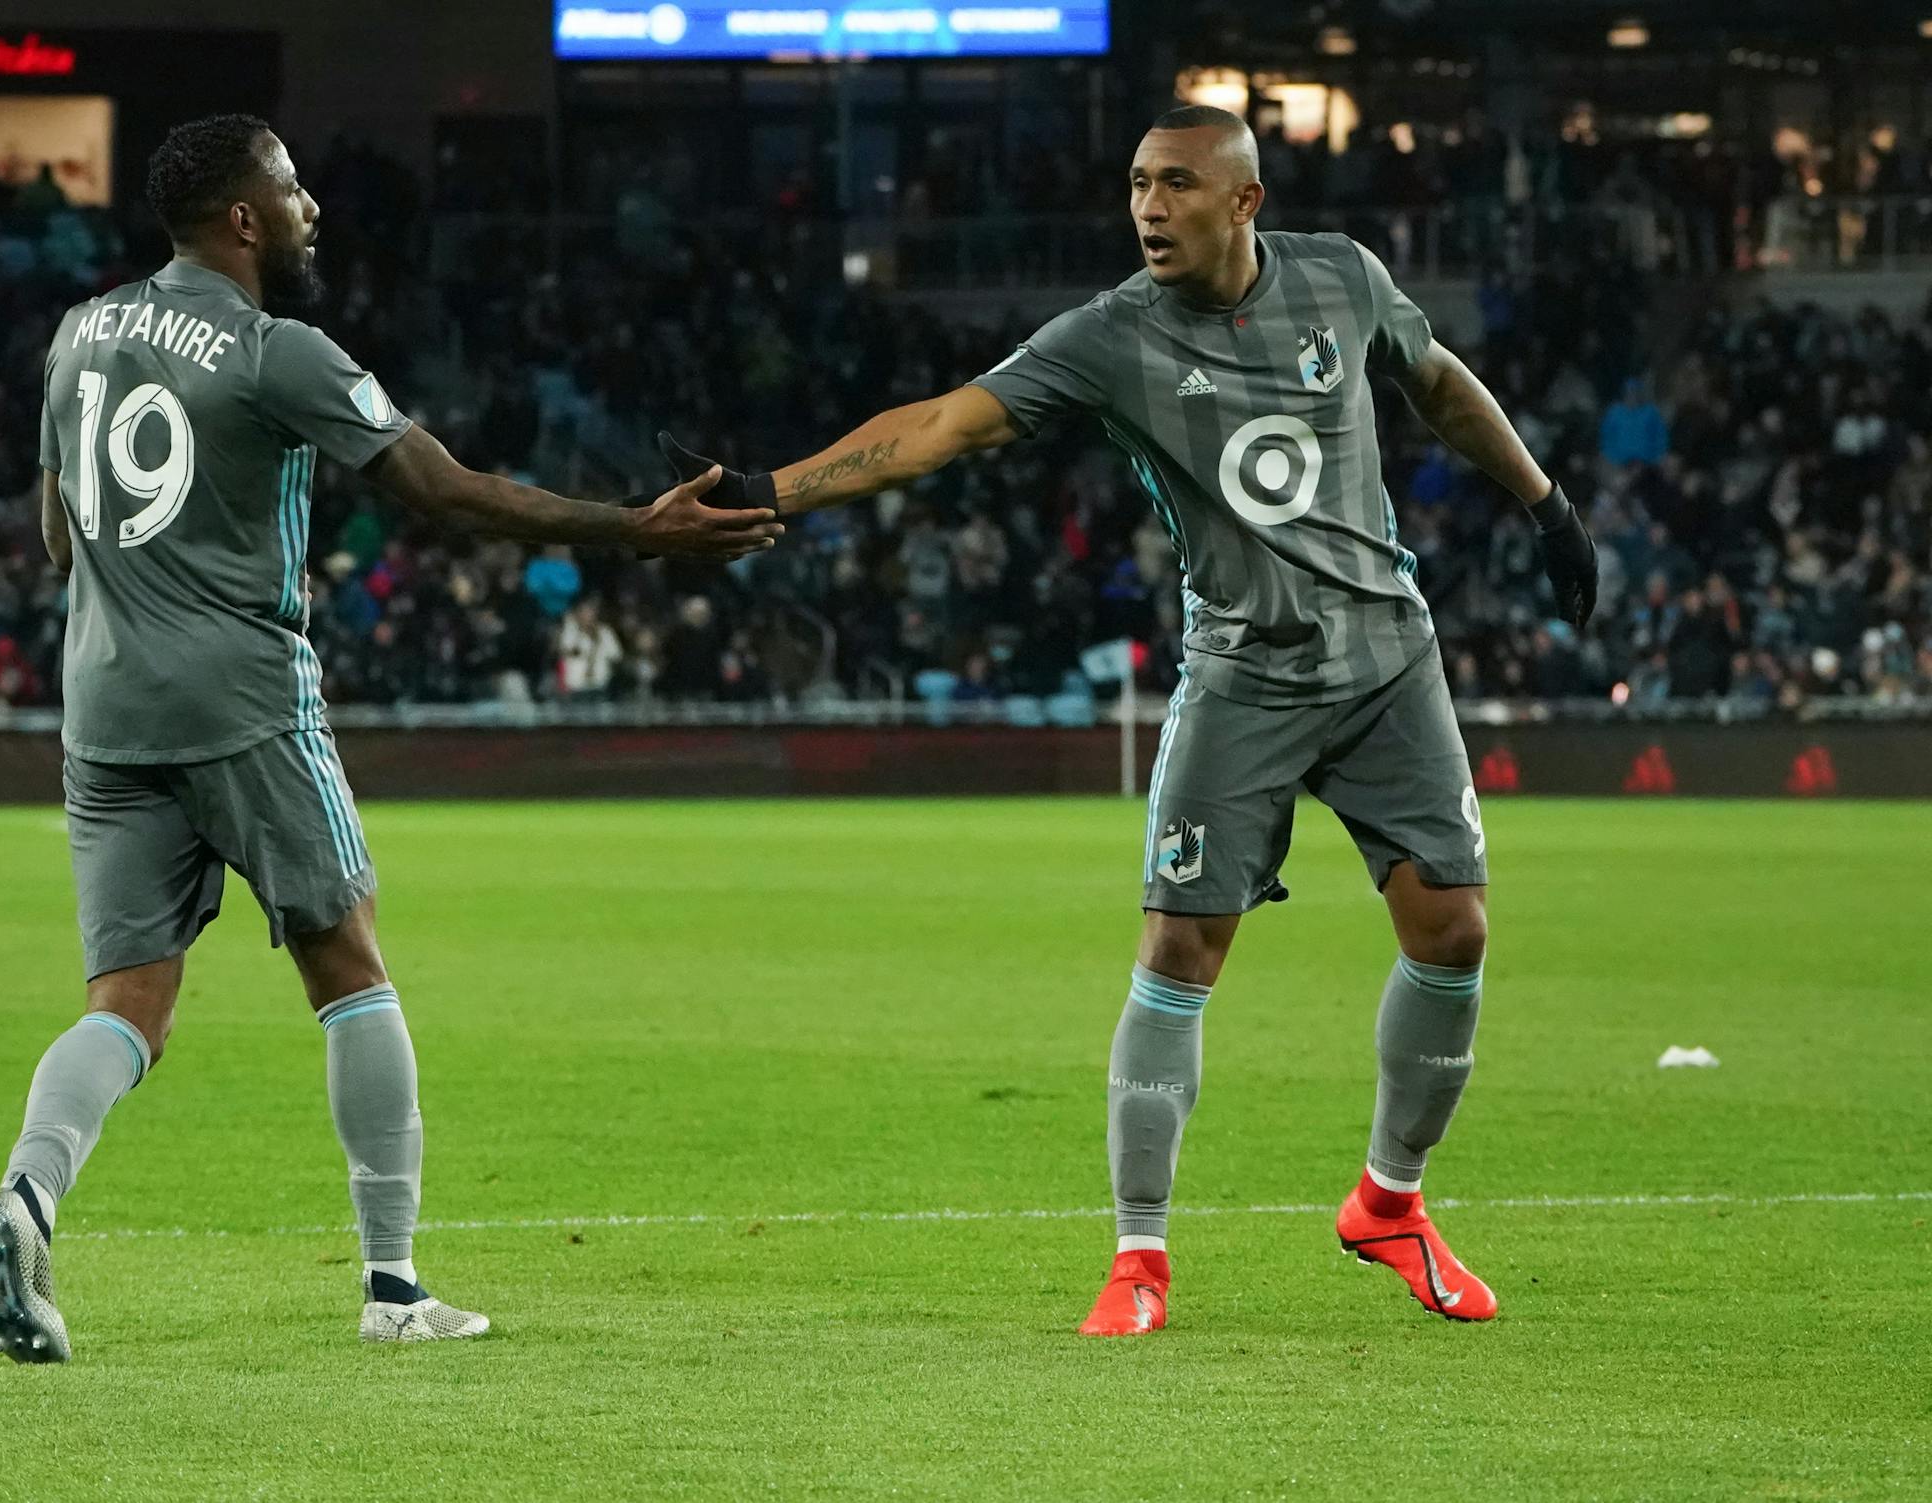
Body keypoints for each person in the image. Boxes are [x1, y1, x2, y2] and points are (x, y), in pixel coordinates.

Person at [658, 105, 1595, 1336]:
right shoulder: (1110, 336)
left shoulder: (1344, 278)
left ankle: (1391, 1203)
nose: (1150, 207)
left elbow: (1438, 385)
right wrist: (768, 490)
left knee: (1455, 929)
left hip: (1386, 661)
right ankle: (1139, 1258)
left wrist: (1546, 505)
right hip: (1244, 673)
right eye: (1139, 184)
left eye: (1177, 185)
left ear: (1244, 201)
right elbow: (939, 427)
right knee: (1180, 951)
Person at [0, 114, 779, 1364]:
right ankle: (395, 1288)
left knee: (128, 1005)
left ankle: (26, 1198)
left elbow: (61, 534)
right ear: (244, 218)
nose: (312, 209)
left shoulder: (79, 333)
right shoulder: (276, 351)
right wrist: (636, 529)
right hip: (246, 701)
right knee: (349, 964)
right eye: (291, 190)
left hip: (106, 711)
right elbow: (443, 489)